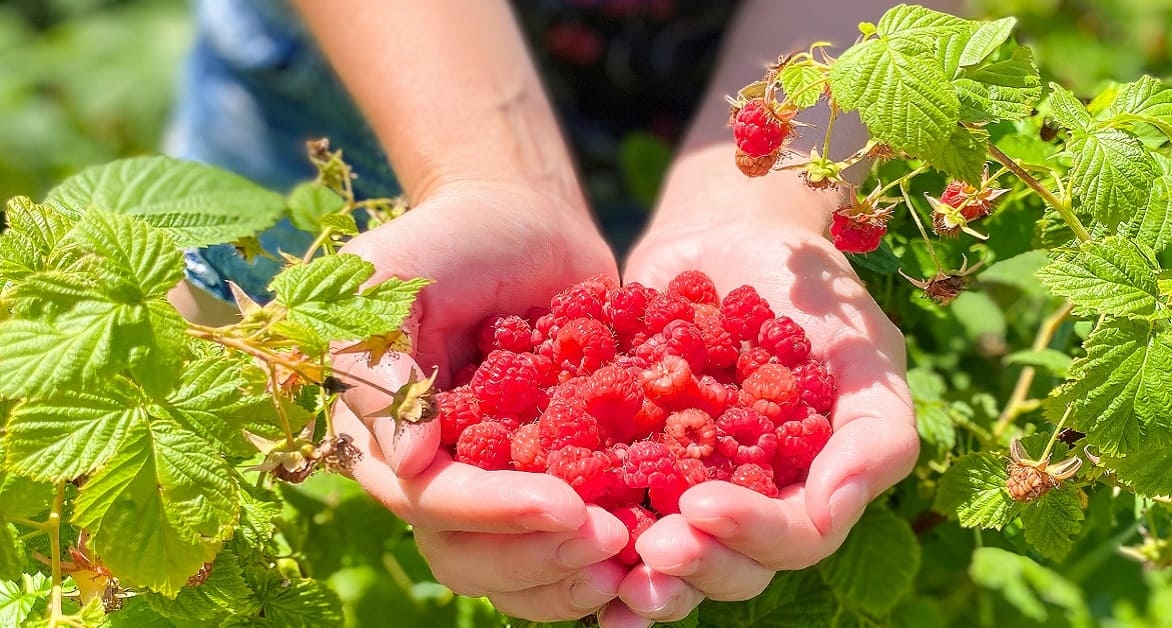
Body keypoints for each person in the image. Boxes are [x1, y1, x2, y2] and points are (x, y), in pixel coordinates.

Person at [167, 1, 936, 625]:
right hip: (359, 74)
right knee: (214, 390)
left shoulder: (669, 374)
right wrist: (487, 180)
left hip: (770, 109)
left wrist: (761, 201)